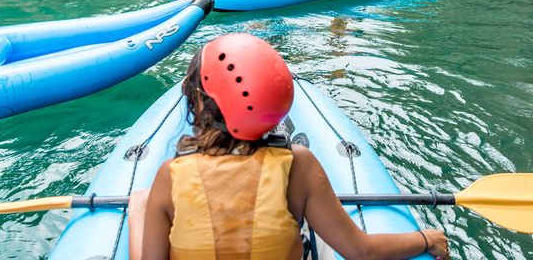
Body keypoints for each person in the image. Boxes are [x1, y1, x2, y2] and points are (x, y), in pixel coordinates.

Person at [127, 33, 450, 260]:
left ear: (199, 105)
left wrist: (139, 216)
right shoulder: (299, 164)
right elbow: (360, 251)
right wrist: (427, 239)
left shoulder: (170, 176)